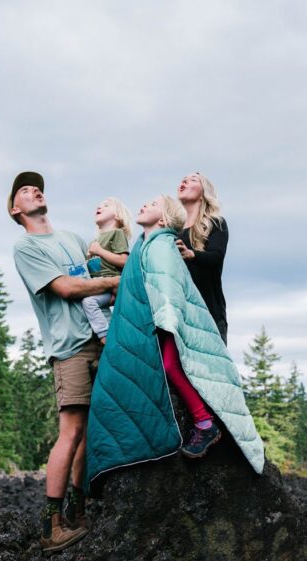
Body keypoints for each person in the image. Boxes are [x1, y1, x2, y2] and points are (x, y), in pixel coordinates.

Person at [85, 194, 264, 495]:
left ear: (164, 219)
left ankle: (205, 424)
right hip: (152, 323)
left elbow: (168, 285)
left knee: (170, 365)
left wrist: (166, 321)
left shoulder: (162, 245)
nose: (143, 206)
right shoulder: (144, 245)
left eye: (152, 205)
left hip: (166, 322)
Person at [9, 171, 119, 553]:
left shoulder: (73, 239)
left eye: (37, 186)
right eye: (25, 190)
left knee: (90, 434)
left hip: (102, 341)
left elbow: (98, 274)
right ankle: (50, 525)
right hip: (69, 347)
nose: (34, 190)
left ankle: (78, 510)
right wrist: (110, 284)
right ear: (15, 209)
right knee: (71, 431)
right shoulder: (26, 248)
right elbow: (68, 288)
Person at [176, 173, 229, 343]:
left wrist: (192, 254)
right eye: (184, 178)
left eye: (193, 179)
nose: (184, 180)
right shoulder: (173, 230)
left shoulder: (215, 223)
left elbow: (216, 257)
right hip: (180, 312)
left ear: (203, 192)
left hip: (208, 312)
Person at [81, 197, 132, 344]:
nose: (100, 207)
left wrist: (100, 251)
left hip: (110, 284)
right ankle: (114, 336)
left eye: (106, 205)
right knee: (94, 306)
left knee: (89, 302)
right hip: (96, 285)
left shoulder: (117, 233)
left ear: (117, 215)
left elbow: (124, 261)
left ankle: (104, 338)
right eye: (99, 205)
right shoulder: (93, 242)